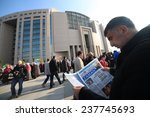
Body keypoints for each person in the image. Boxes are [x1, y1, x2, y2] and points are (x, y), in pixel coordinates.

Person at [73, 16, 150, 100]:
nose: (111, 44)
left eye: (110, 38)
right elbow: (128, 72)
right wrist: (111, 70)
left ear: (123, 30)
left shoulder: (143, 53)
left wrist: (83, 94)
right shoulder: (134, 50)